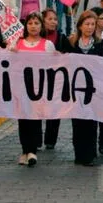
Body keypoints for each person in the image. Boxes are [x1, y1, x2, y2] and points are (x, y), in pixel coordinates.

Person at [11, 13, 56, 167]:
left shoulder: (47, 44)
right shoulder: (18, 43)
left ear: (41, 26)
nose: (33, 26)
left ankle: (32, 151)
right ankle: (24, 150)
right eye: (30, 23)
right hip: (21, 87)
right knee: (23, 119)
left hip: (39, 88)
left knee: (35, 119)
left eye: (36, 23)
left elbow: (54, 66)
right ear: (26, 26)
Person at [68, 11, 103, 166]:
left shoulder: (99, 44)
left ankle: (90, 154)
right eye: (87, 24)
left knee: (91, 121)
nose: (90, 27)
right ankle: (79, 154)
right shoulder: (71, 43)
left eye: (92, 24)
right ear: (80, 26)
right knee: (77, 122)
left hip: (93, 89)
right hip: (75, 89)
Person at [41, 9, 70, 149]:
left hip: (56, 80)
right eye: (50, 19)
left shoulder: (62, 37)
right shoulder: (35, 37)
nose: (53, 22)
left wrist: (62, 55)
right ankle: (35, 139)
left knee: (54, 110)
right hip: (39, 79)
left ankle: (50, 140)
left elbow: (71, 55)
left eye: (55, 19)